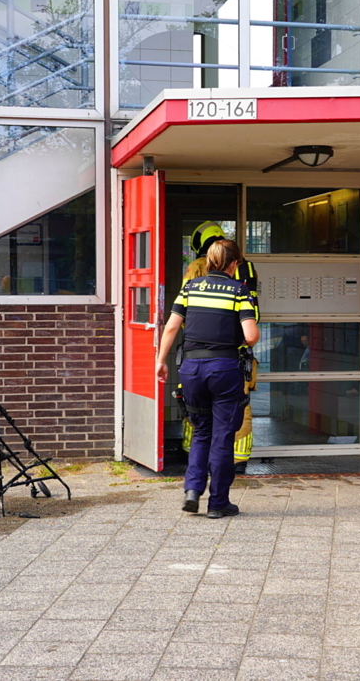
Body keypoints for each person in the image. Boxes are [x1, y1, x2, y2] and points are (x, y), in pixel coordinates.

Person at [157, 239, 259, 518]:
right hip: (224, 369)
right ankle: (218, 504)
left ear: (209, 261)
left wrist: (160, 361)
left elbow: (171, 328)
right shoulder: (239, 290)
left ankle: (192, 491)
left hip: (191, 369)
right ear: (235, 264)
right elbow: (250, 336)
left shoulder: (190, 288)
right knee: (223, 436)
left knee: (202, 431)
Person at [181, 222, 259, 474]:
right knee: (239, 405)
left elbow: (185, 314)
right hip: (237, 352)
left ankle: (195, 460)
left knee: (195, 406)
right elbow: (251, 320)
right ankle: (237, 460)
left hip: (199, 353)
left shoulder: (195, 270)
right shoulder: (246, 268)